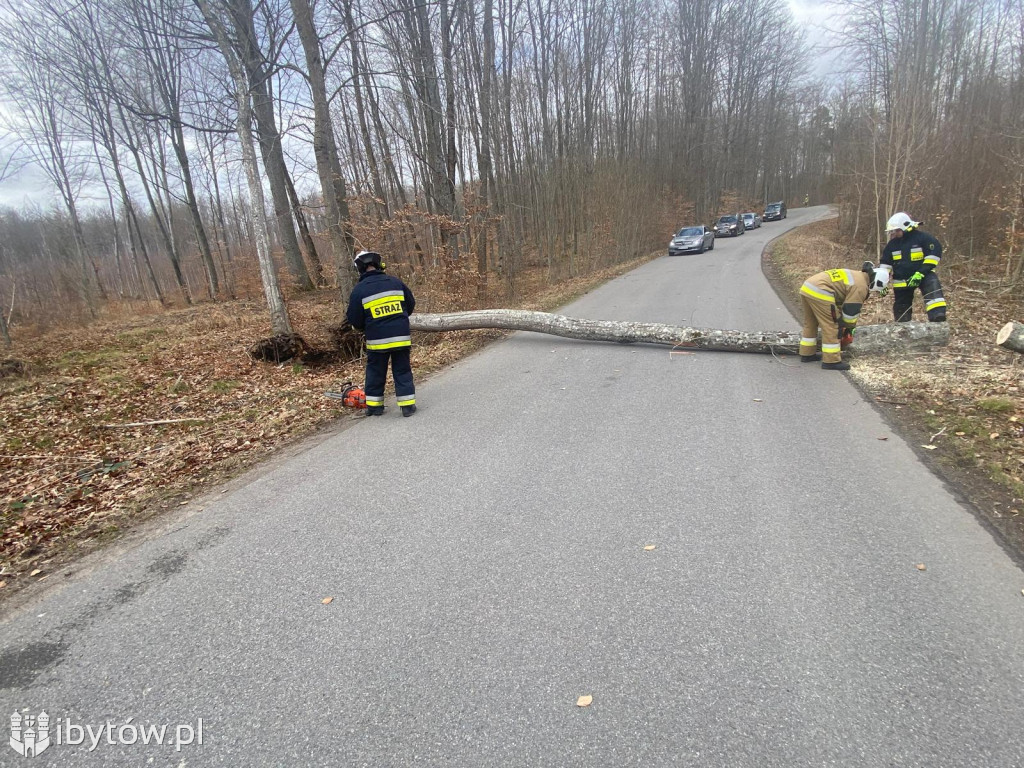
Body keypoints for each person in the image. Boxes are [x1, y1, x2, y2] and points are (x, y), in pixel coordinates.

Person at [345, 251, 417, 416]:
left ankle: (374, 407)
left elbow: (354, 319)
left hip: (377, 340)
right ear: (378, 265)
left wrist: (367, 326)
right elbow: (410, 303)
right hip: (401, 337)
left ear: (360, 269)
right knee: (402, 370)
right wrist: (399, 320)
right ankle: (407, 407)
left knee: (375, 371)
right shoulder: (396, 282)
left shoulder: (359, 290)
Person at [799, 261, 890, 371]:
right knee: (832, 325)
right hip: (821, 291)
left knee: (811, 322)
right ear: (877, 282)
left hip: (807, 287)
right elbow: (850, 312)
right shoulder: (861, 287)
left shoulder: (858, 275)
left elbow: (842, 299)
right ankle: (831, 361)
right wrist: (848, 330)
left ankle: (807, 353)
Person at [880, 212, 947, 322]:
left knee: (933, 287)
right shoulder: (892, 245)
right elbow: (885, 264)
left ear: (906, 227)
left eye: (897, 230)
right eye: (893, 231)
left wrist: (921, 273)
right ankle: (903, 325)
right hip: (901, 278)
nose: (894, 233)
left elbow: (933, 256)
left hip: (923, 274)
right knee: (901, 305)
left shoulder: (923, 238)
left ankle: (937, 317)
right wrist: (882, 282)